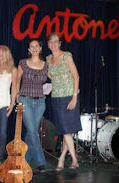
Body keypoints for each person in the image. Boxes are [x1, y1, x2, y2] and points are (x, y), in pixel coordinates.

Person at [46, 33, 82, 171]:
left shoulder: (67, 56)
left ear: (60, 43)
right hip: (56, 97)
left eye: (56, 41)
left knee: (66, 131)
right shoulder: (48, 59)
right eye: (51, 42)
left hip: (69, 97)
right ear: (48, 44)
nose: (53, 44)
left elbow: (76, 76)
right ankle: (62, 158)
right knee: (65, 130)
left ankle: (73, 159)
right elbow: (50, 74)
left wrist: (74, 97)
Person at [17, 39, 48, 172]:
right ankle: (41, 162)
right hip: (25, 100)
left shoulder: (46, 65)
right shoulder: (23, 63)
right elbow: (17, 79)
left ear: (40, 48)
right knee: (33, 131)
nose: (34, 48)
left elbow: (55, 77)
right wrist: (16, 97)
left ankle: (25, 161)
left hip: (40, 102)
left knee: (31, 133)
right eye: (32, 46)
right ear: (29, 49)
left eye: (37, 46)